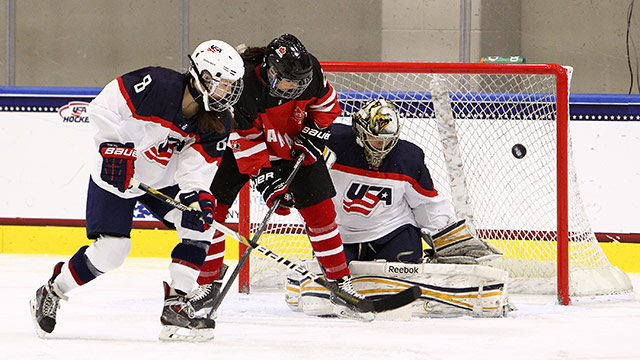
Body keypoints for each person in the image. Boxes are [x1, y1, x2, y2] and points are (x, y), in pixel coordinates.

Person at [29, 40, 245, 342]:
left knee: (200, 226)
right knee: (112, 253)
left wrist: (196, 197)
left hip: (159, 183)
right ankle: (52, 289)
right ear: (203, 78)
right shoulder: (157, 83)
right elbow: (104, 106)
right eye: (224, 85)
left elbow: (195, 170)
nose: (228, 93)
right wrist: (113, 147)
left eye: (232, 86)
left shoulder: (218, 121)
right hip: (117, 175)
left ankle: (176, 305)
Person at [191, 33, 371, 320]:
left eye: (298, 83)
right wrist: (266, 181)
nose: (293, 87)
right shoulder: (244, 83)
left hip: (292, 143)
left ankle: (339, 283)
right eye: (287, 81)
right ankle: (207, 283)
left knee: (322, 214)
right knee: (213, 210)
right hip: (242, 147)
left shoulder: (309, 73)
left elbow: (326, 107)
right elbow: (246, 139)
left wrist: (314, 133)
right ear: (270, 69)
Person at [284, 98, 506, 318]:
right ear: (360, 131)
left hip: (391, 229)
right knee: (333, 273)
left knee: (406, 258)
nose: (382, 147)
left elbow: (426, 204)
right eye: (375, 138)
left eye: (388, 140)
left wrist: (443, 237)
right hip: (341, 232)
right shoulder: (333, 143)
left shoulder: (409, 158)